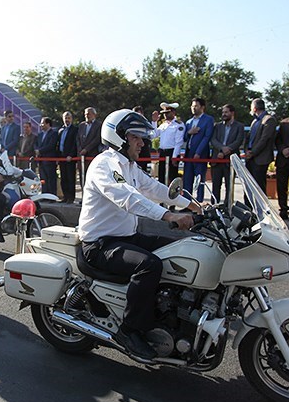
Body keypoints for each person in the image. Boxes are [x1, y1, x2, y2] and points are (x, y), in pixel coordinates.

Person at [78, 109, 199, 360]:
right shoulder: (104, 165)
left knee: (179, 250)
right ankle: (129, 330)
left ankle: (168, 314)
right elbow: (127, 197)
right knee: (149, 265)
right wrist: (169, 216)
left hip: (125, 237)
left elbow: (154, 188)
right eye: (136, 137)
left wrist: (193, 205)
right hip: (99, 244)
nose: (142, 143)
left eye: (142, 138)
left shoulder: (130, 166)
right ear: (119, 137)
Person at [209, 104, 244, 203]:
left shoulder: (239, 126)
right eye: (223, 112)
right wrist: (222, 149)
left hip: (230, 161)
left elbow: (238, 141)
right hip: (217, 160)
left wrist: (228, 149)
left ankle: (227, 207)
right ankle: (214, 206)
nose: (224, 114)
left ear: (232, 113)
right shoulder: (217, 126)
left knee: (229, 186)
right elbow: (213, 140)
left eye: (226, 112)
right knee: (216, 185)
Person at [183, 98, 214, 202]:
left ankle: (199, 202)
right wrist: (189, 132)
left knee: (199, 180)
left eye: (196, 106)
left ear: (202, 107)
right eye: (192, 106)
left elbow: (207, 137)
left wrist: (198, 152)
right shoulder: (189, 122)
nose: (193, 108)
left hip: (200, 155)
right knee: (187, 179)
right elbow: (184, 137)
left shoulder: (208, 120)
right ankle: (187, 202)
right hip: (188, 154)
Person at [244, 98, 277, 195]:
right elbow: (249, 138)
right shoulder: (254, 121)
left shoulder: (269, 120)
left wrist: (253, 152)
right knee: (248, 185)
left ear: (254, 108)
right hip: (250, 158)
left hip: (261, 158)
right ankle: (248, 204)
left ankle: (259, 205)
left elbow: (264, 139)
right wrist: (246, 150)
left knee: (259, 186)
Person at [152, 102, 186, 185]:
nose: (165, 115)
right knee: (161, 176)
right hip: (162, 152)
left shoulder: (178, 124)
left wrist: (174, 157)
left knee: (172, 176)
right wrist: (154, 122)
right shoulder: (163, 124)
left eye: (167, 113)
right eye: (164, 113)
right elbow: (154, 135)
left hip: (172, 151)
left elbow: (178, 142)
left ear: (173, 112)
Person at [57, 111, 79, 203]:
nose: (67, 120)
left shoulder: (75, 130)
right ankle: (65, 196)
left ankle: (71, 197)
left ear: (71, 119)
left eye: (68, 118)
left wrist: (71, 155)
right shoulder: (60, 130)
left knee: (70, 178)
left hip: (70, 158)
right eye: (65, 118)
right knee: (63, 178)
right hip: (62, 157)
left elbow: (75, 144)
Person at [35, 117, 59, 195]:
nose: (40, 125)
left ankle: (52, 195)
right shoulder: (40, 134)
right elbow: (36, 144)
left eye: (42, 123)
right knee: (43, 179)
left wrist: (40, 151)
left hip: (49, 160)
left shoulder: (54, 134)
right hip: (41, 160)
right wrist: (36, 150)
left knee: (51, 178)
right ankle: (44, 195)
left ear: (48, 124)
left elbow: (51, 145)